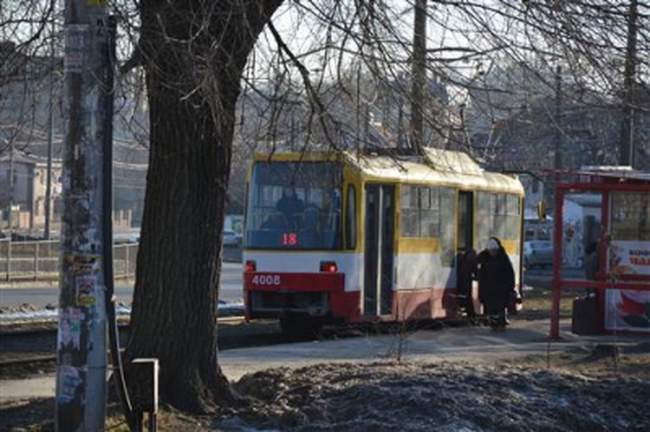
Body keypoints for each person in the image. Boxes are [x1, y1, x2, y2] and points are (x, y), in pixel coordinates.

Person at [477, 237, 515, 331]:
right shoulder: (483, 259)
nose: (492, 252)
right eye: (491, 250)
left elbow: (510, 274)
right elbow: (481, 277)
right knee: (491, 310)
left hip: (501, 289)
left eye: (494, 250)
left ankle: (500, 325)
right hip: (488, 289)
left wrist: (510, 287)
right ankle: (494, 325)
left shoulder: (503, 259)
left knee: (500, 308)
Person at [457, 248, 478, 321]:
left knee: (464, 298)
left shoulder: (462, 259)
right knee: (466, 298)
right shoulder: (472, 259)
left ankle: (467, 314)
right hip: (466, 282)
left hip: (460, 282)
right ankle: (470, 315)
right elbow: (476, 273)